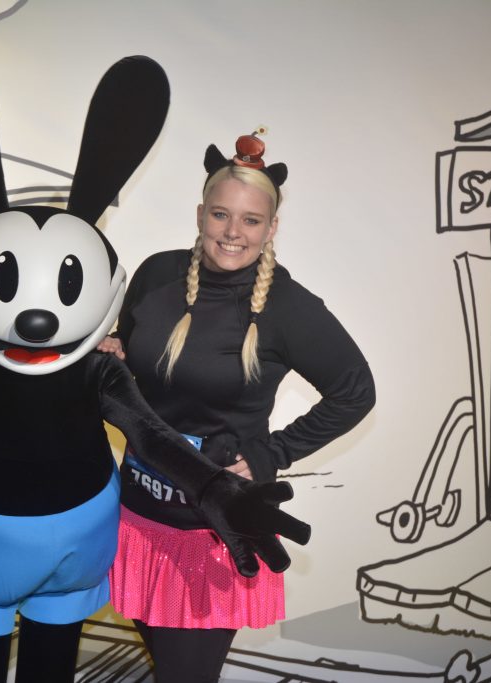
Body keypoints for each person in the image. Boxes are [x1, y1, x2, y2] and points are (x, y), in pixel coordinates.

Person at [98, 132, 376, 682]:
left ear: (272, 228)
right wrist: (114, 353)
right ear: (201, 213)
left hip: (214, 535)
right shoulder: (156, 274)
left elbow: (355, 391)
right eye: (221, 214)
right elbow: (134, 366)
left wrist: (271, 453)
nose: (233, 232)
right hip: (135, 517)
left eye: (250, 220)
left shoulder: (288, 308)